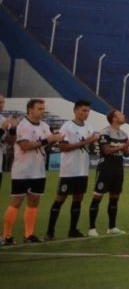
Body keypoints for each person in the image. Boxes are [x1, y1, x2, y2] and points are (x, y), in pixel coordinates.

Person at [3, 99, 61, 245]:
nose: (43, 111)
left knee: (34, 202)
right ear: (30, 110)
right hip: (22, 170)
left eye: (43, 108)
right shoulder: (23, 125)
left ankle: (29, 234)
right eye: (40, 108)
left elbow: (45, 146)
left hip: (39, 170)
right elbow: (24, 145)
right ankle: (7, 235)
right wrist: (47, 140)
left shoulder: (44, 125)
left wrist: (55, 139)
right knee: (16, 201)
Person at [46, 99, 99, 239]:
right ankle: (50, 231)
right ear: (75, 110)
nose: (86, 113)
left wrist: (93, 142)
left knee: (78, 199)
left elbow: (91, 149)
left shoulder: (89, 127)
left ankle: (73, 230)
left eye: (88, 111)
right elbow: (63, 147)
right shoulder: (67, 127)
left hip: (82, 170)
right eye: (83, 110)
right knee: (60, 199)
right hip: (69, 171)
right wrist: (86, 141)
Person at [88, 109, 129, 236]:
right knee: (97, 197)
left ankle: (112, 227)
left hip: (118, 168)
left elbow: (125, 153)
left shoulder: (123, 134)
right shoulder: (104, 132)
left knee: (114, 198)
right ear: (114, 118)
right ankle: (92, 228)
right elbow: (106, 151)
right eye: (120, 114)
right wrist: (124, 146)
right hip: (106, 168)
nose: (124, 115)